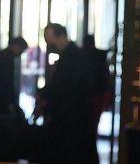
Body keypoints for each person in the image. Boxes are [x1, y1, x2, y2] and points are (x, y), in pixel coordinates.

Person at [39, 23, 98, 164]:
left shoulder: (72, 57)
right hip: (73, 118)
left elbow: (65, 87)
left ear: (60, 37)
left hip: (71, 119)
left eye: (49, 40)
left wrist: (47, 98)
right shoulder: (73, 55)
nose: (49, 45)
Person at [0, 37, 28, 117]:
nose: (21, 53)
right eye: (21, 50)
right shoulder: (7, 58)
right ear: (16, 46)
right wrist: (10, 102)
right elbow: (6, 82)